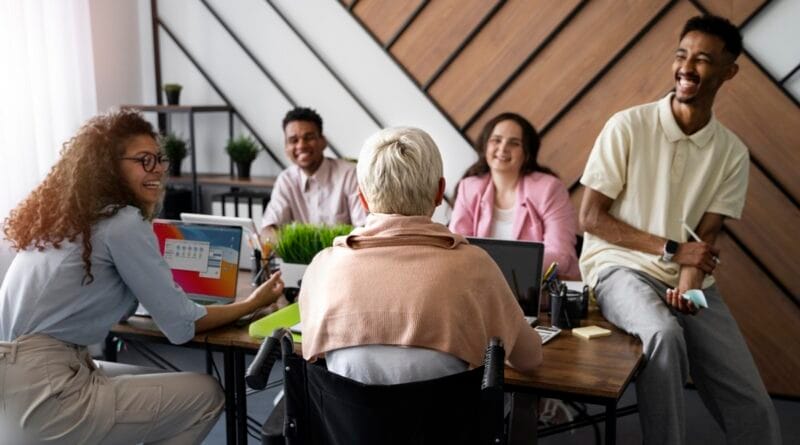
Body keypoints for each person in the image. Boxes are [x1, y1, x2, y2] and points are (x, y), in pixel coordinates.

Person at [0, 109, 285, 444]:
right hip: (48, 392)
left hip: (15, 387)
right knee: (206, 394)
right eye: (144, 160)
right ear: (109, 166)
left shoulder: (66, 220)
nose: (159, 169)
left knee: (153, 379)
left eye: (159, 159)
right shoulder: (122, 222)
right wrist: (252, 302)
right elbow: (181, 324)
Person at [578, 15, 780, 445]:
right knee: (664, 335)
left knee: (752, 401)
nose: (686, 67)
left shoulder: (732, 153)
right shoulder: (627, 126)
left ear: (729, 71)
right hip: (617, 268)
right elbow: (591, 218)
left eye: (702, 59)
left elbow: (704, 239)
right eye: (681, 55)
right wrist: (671, 249)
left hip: (689, 279)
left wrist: (689, 288)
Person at [299, 126, 542, 385]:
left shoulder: (322, 268)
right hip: (447, 413)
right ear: (439, 192)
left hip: (343, 412)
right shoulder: (476, 266)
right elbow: (530, 359)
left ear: (363, 199)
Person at [449, 112, 579, 279]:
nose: (503, 148)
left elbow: (561, 254)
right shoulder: (469, 187)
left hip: (536, 286)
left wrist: (509, 268)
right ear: (485, 145)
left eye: (514, 143)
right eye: (496, 140)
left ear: (527, 152)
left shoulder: (549, 188)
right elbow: (456, 247)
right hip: (480, 283)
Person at [259, 107, 367, 243]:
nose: (301, 145)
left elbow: (364, 230)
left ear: (323, 141)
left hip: (344, 255)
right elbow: (268, 229)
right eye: (293, 140)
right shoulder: (286, 180)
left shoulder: (350, 175)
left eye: (309, 137)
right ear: (286, 147)